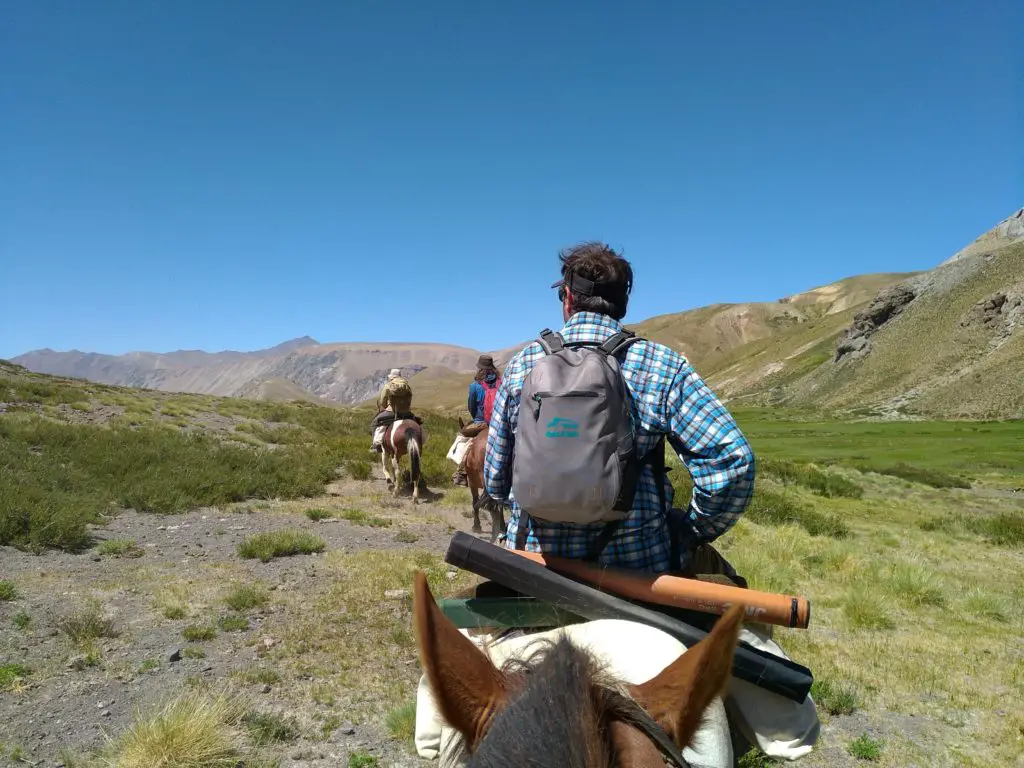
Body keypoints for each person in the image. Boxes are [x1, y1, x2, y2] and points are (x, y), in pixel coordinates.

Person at [483, 242, 756, 582]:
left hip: (537, 567)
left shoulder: (524, 363)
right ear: (621, 304)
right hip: (638, 573)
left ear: (568, 297)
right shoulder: (662, 365)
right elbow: (733, 462)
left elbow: (494, 481)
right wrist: (692, 529)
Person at [450, 355, 501, 486]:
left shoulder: (475, 386)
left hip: (480, 422)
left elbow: (471, 406)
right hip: (500, 422)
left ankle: (461, 473)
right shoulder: (501, 382)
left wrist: (477, 419)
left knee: (462, 437)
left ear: (479, 369)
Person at [370, 368, 417, 452]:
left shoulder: (388, 385)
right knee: (417, 422)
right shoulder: (407, 386)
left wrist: (385, 407)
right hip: (406, 412)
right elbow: (409, 398)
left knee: (375, 422)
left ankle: (375, 446)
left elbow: (383, 400)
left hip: (391, 411)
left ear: (392, 377)